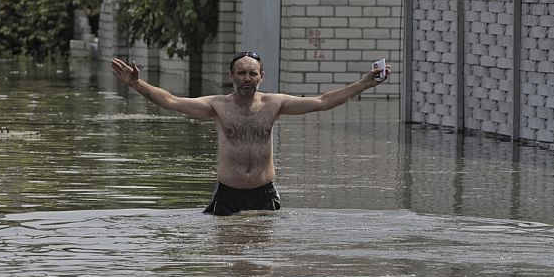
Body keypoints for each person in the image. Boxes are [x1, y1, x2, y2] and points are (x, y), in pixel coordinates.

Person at [111, 52, 391, 215]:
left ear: (261, 77)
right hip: (227, 194)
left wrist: (365, 82)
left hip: (264, 194)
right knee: (226, 256)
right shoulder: (217, 106)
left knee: (263, 258)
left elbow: (322, 102)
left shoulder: (274, 104)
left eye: (252, 73)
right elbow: (171, 101)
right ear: (232, 76)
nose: (247, 78)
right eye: (241, 73)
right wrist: (137, 84)